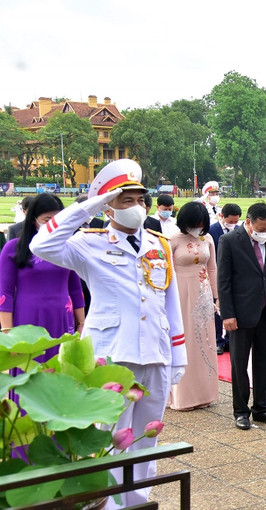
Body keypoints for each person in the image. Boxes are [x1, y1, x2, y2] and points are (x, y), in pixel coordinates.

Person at [29, 159, 187, 507]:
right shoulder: (89, 243)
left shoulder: (159, 245)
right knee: (109, 438)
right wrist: (89, 206)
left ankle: (137, 502)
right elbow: (41, 244)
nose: (137, 207)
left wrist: (179, 355)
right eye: (125, 200)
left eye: (140, 199)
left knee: (146, 439)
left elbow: (170, 304)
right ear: (108, 207)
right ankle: (110, 504)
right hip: (112, 355)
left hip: (155, 354)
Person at [217, 203, 266, 429]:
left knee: (263, 361)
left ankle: (261, 408)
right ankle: (241, 411)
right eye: (261, 228)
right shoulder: (229, 241)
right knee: (239, 364)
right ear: (248, 222)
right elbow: (224, 280)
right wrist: (227, 314)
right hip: (240, 313)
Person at [1, 194, 85, 359]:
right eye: (47, 220)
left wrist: (82, 323)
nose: (53, 225)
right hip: (28, 317)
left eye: (57, 219)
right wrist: (7, 333)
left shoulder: (68, 247)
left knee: (61, 367)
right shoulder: (14, 248)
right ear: (34, 220)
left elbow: (75, 288)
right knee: (29, 367)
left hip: (62, 317)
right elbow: (5, 293)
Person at [168, 202, 219, 410]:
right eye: (193, 223)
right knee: (184, 340)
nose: (197, 227)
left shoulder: (207, 238)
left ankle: (204, 393)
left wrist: (217, 297)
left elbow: (213, 268)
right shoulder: (171, 240)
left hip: (203, 293)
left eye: (200, 223)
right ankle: (181, 396)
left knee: (204, 341)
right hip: (179, 293)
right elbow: (166, 272)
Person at [209, 203, 242, 355]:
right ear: (222, 216)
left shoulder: (239, 231)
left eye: (236, 222)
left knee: (231, 307)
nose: (233, 225)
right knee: (216, 309)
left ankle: (230, 339)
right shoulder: (211, 231)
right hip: (215, 274)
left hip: (234, 276)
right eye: (231, 221)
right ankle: (218, 340)